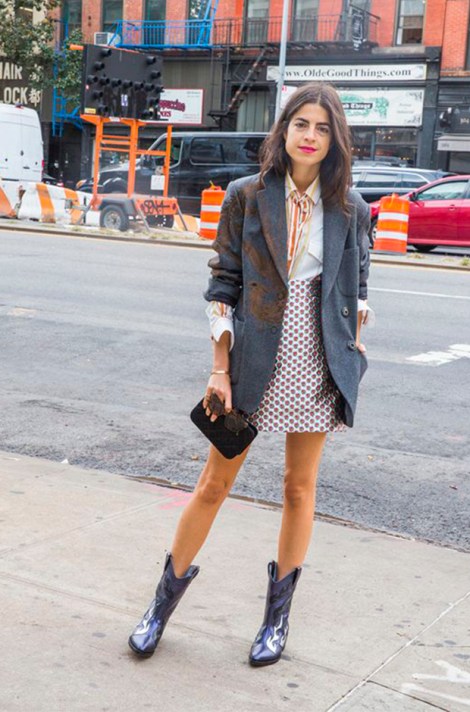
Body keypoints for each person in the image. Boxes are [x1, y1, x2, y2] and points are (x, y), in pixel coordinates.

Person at [128, 82, 372, 667]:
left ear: (335, 140)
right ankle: (159, 607)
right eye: (301, 124)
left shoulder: (351, 208)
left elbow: (358, 287)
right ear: (283, 131)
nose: (310, 136)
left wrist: (355, 343)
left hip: (318, 360)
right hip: (253, 357)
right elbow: (223, 284)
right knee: (214, 484)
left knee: (298, 488)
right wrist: (220, 367)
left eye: (322, 128)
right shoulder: (247, 195)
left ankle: (276, 620)